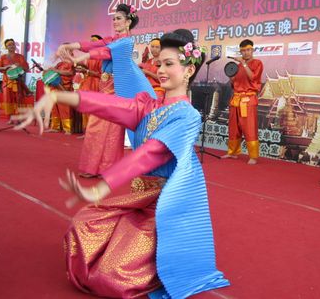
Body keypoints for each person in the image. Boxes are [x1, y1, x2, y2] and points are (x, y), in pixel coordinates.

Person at [12, 29, 229, 298]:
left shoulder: (187, 116)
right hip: (139, 198)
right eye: (159, 63)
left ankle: (160, 259)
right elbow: (108, 104)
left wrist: (102, 187)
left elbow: (151, 152)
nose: (160, 70)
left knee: (112, 277)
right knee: (83, 228)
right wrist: (58, 96)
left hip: (164, 210)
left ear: (188, 70)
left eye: (169, 64)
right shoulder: (148, 105)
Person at [57, 4, 151, 178]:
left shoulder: (126, 42)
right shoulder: (112, 39)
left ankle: (103, 168)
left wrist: (81, 56)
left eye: (119, 18)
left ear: (128, 22)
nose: (115, 21)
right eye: (113, 19)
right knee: (107, 127)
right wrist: (71, 45)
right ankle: (101, 168)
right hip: (106, 86)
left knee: (104, 126)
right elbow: (94, 44)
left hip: (118, 87)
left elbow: (104, 52)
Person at [221, 39, 263, 164]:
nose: (245, 53)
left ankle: (253, 156)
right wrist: (230, 74)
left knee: (249, 127)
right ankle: (232, 152)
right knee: (234, 127)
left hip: (248, 100)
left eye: (248, 50)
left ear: (252, 50)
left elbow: (253, 78)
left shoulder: (257, 63)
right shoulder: (238, 66)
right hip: (236, 99)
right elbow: (235, 83)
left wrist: (243, 64)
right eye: (243, 51)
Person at [0, 38, 30, 121]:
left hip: (18, 82)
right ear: (6, 47)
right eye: (9, 45)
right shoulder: (3, 57)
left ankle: (18, 118)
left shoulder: (20, 57)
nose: (11, 46)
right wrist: (5, 67)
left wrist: (19, 66)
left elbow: (27, 69)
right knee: (8, 100)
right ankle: (10, 118)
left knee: (18, 99)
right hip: (7, 82)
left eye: (13, 44)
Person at [75, 34, 103, 132]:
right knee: (85, 106)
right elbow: (88, 69)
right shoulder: (89, 56)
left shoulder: (101, 56)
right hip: (87, 82)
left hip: (95, 84)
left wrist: (86, 71)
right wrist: (81, 66)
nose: (91, 43)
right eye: (91, 41)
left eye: (94, 41)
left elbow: (101, 74)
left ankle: (93, 131)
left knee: (93, 108)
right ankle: (86, 130)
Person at [46, 56, 75, 134]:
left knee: (64, 108)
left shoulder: (71, 62)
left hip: (64, 87)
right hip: (54, 87)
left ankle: (68, 128)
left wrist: (55, 70)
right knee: (54, 108)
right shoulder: (59, 64)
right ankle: (55, 127)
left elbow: (70, 73)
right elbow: (53, 73)